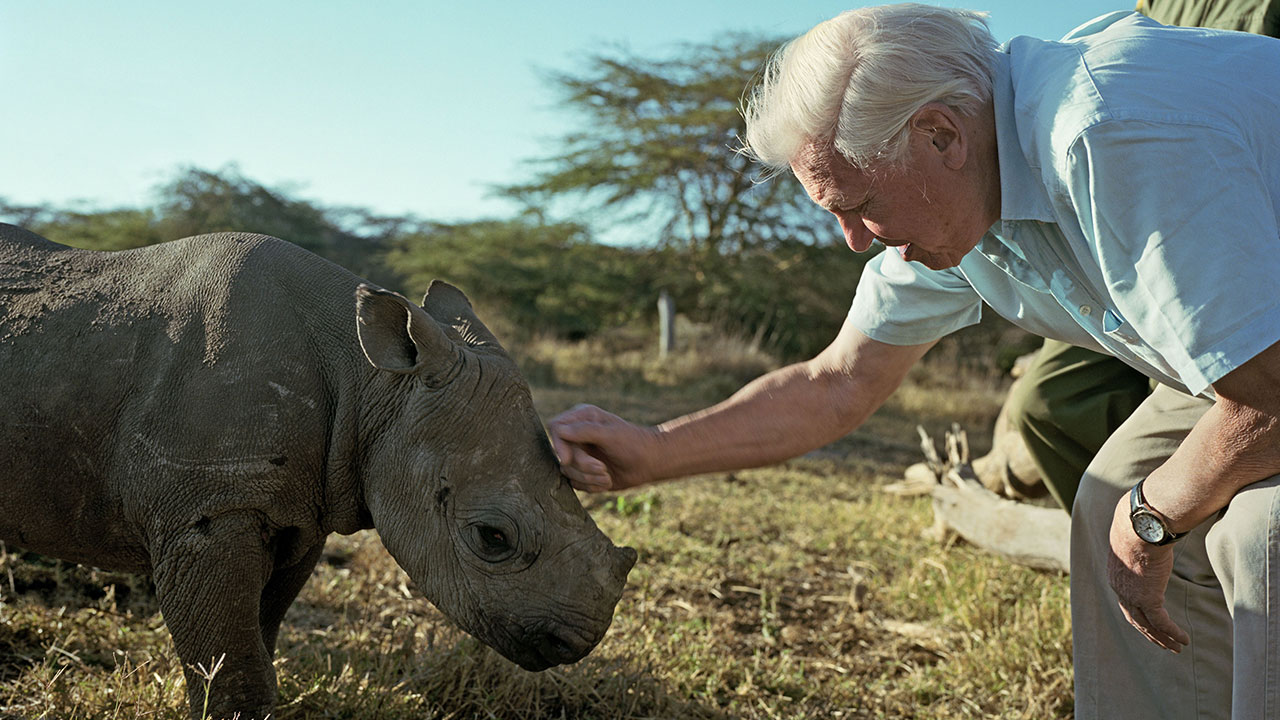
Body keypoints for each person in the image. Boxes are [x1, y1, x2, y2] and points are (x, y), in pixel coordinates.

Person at [549, 5, 1280, 719]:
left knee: (1261, 530)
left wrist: (1153, 514)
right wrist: (650, 453)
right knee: (1105, 501)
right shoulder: (956, 191)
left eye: (858, 203)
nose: (854, 239)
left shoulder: (1107, 131)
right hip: (1253, 359)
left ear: (941, 133)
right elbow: (838, 383)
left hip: (1266, 371)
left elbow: (1269, 394)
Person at [999, 0, 1280, 515]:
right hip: (1114, 206)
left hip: (1208, 208)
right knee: (1045, 401)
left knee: (1214, 381)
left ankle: (1193, 515)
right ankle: (1144, 542)